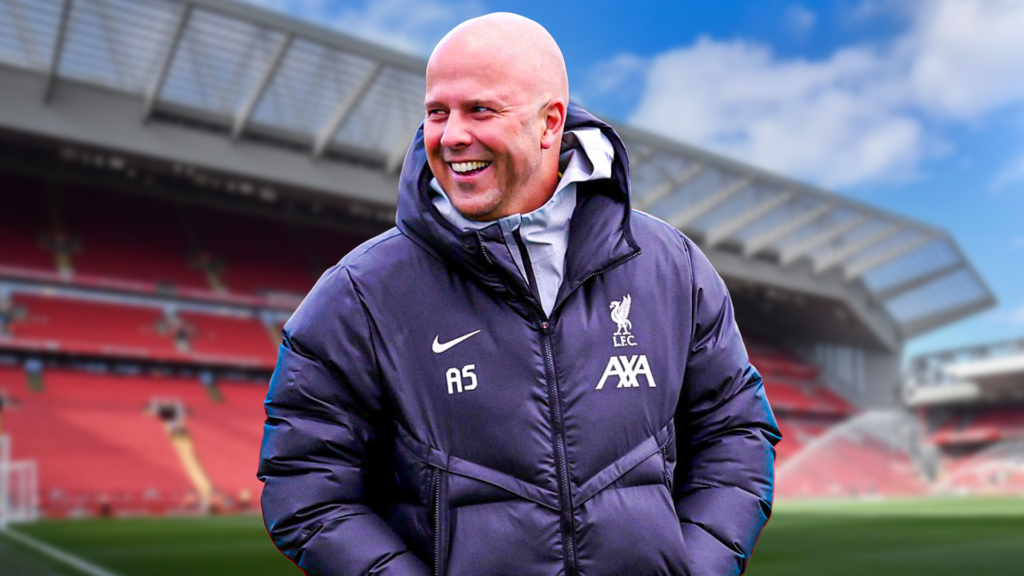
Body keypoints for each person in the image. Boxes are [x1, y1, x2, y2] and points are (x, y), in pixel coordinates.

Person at [259, 13, 780, 576]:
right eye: (437, 111)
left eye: (480, 109)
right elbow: (305, 484)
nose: (451, 135)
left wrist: (696, 568)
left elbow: (736, 433)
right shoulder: (358, 294)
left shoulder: (671, 268)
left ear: (549, 123)